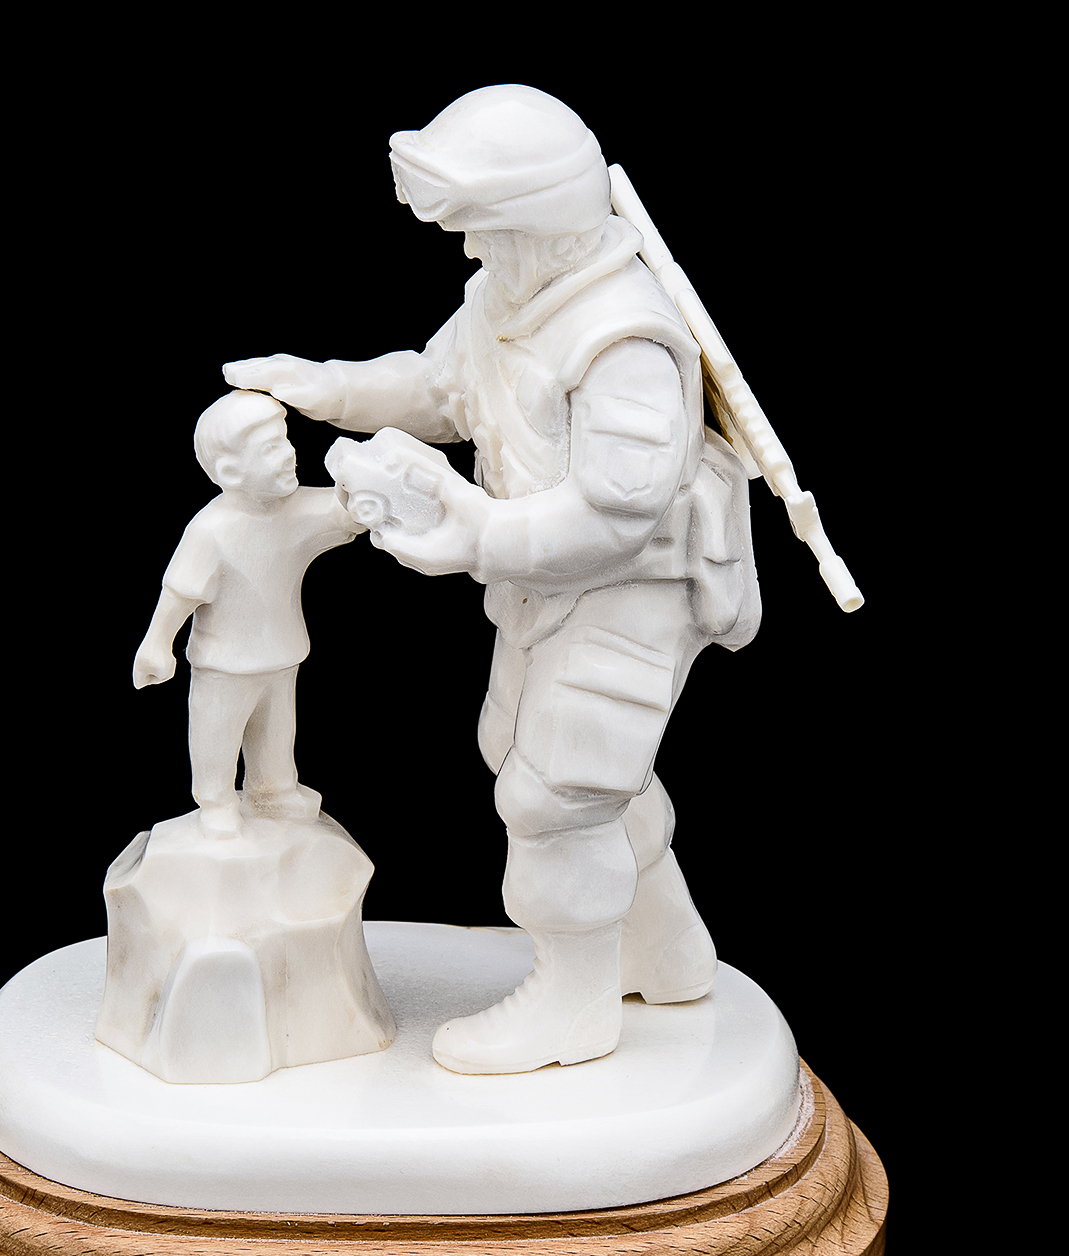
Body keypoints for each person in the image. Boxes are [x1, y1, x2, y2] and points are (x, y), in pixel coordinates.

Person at [224, 85, 760, 1074]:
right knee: (533, 753)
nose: (472, 249)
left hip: (629, 594)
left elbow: (615, 515)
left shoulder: (622, 340)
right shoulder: (510, 301)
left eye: (486, 229)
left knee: (555, 792)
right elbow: (440, 389)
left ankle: (575, 1003)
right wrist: (331, 386)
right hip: (544, 585)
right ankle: (664, 950)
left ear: (543, 222)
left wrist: (475, 532)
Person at [134, 391, 364, 839]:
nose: (289, 454)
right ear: (231, 472)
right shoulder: (211, 530)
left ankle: (273, 790)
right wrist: (157, 643)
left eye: (286, 440)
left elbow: (345, 514)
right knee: (216, 731)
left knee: (277, 729)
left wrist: (366, 485)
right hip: (225, 661)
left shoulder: (297, 509)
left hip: (282, 651)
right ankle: (216, 800)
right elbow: (180, 592)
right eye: (271, 448)